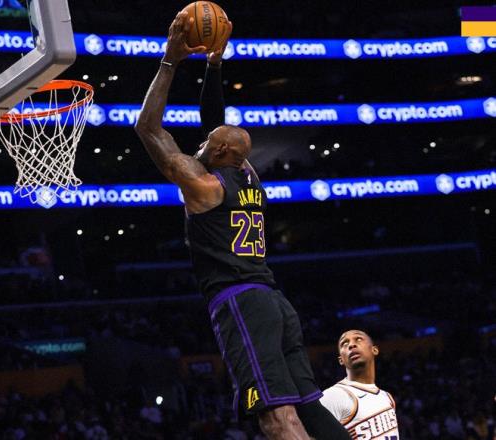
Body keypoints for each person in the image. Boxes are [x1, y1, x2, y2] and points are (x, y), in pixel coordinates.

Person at [135, 10, 350, 440]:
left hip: (241, 302)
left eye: (205, 142)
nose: (200, 142)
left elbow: (148, 128)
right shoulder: (249, 176)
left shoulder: (204, 186)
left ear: (216, 153)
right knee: (309, 408)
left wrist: (170, 60)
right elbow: (216, 126)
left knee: (276, 417)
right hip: (275, 303)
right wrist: (214, 65)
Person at [320, 330, 400, 439]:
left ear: (374, 350)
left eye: (358, 339)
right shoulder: (333, 396)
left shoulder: (387, 397)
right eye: (344, 344)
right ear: (341, 360)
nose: (351, 345)